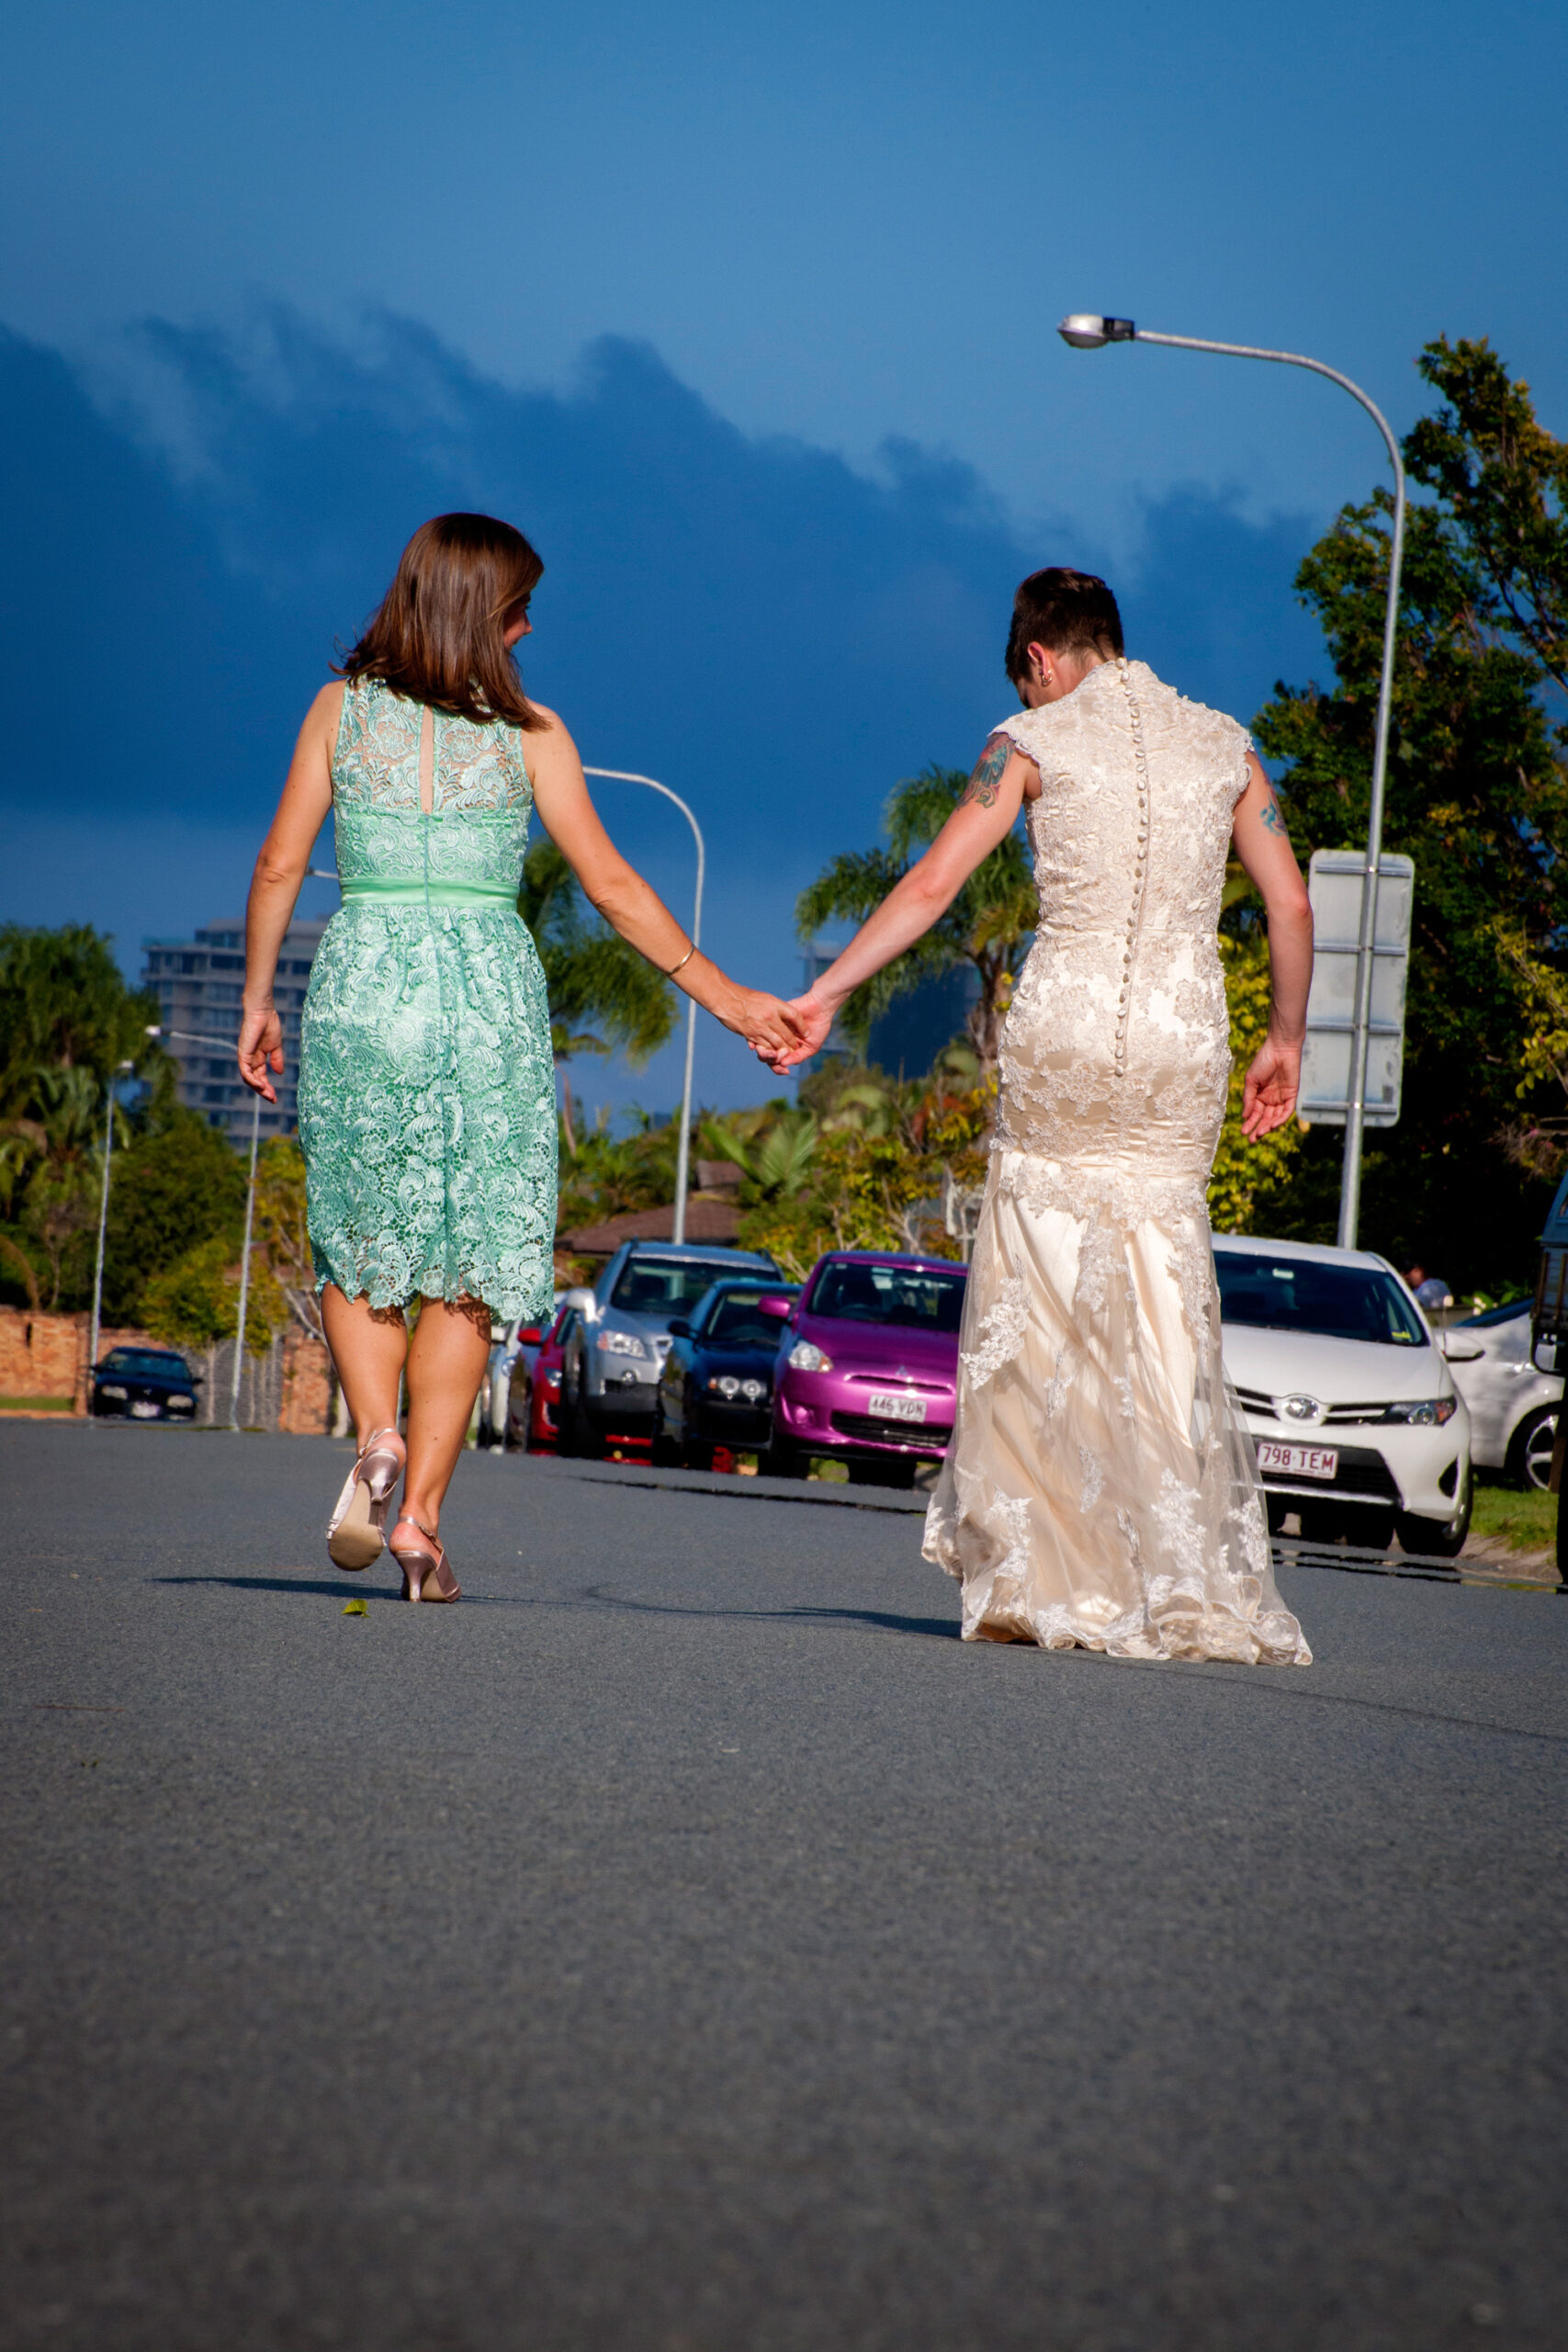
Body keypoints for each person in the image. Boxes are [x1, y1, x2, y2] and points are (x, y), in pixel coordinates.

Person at [239, 513, 800, 1600]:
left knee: (362, 1233)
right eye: (519, 609)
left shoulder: (339, 712)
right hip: (487, 995)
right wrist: (730, 1000)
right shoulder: (535, 730)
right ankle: (425, 1526)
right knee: (471, 1261)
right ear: (483, 614)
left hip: (366, 985)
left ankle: (376, 1435)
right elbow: (615, 889)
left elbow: (277, 862)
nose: (531, 626)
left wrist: (259, 997)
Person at [772, 569, 1314, 1664]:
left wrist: (826, 994)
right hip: (1178, 1038)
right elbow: (1291, 900)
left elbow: (932, 886)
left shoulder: (1028, 737)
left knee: (1043, 1276)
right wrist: (1285, 1040)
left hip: (1067, 1032)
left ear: (1039, 658)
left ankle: (1038, 1572)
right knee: (1164, 1284)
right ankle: (1174, 1573)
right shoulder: (1227, 745)